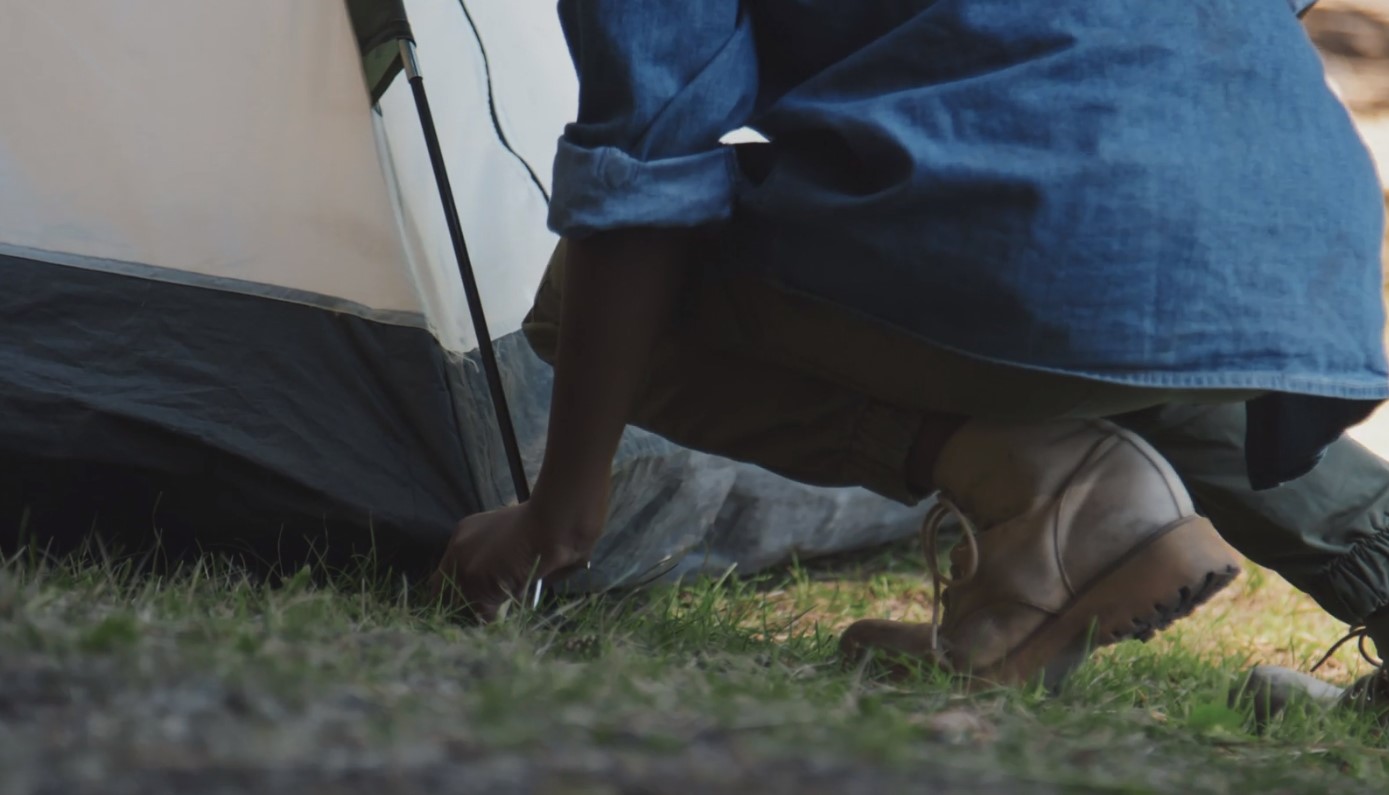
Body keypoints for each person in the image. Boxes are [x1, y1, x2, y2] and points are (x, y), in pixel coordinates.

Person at [430, 0, 1389, 704]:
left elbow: (648, 168)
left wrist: (561, 506)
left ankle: (1049, 493)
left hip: (1072, 222)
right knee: (1112, 320)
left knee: (587, 300)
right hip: (1301, 227)